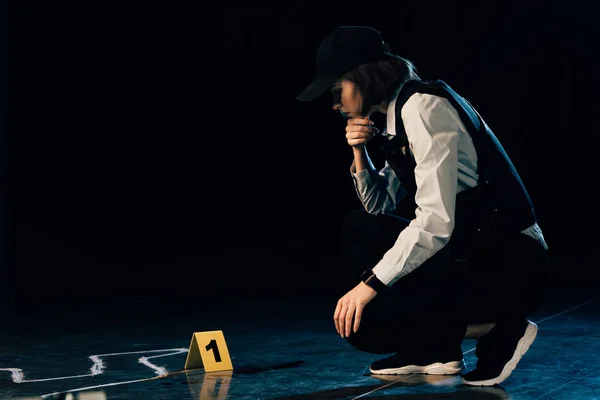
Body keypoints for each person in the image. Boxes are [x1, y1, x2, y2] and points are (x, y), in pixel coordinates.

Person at [296, 25, 551, 387]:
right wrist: (359, 151)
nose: (334, 103)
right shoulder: (396, 116)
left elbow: (434, 222)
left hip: (514, 263)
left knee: (369, 305)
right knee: (360, 233)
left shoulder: (424, 108)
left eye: (337, 90)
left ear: (364, 78)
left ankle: (504, 328)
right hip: (471, 248)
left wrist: (369, 284)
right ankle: (437, 347)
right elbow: (377, 207)